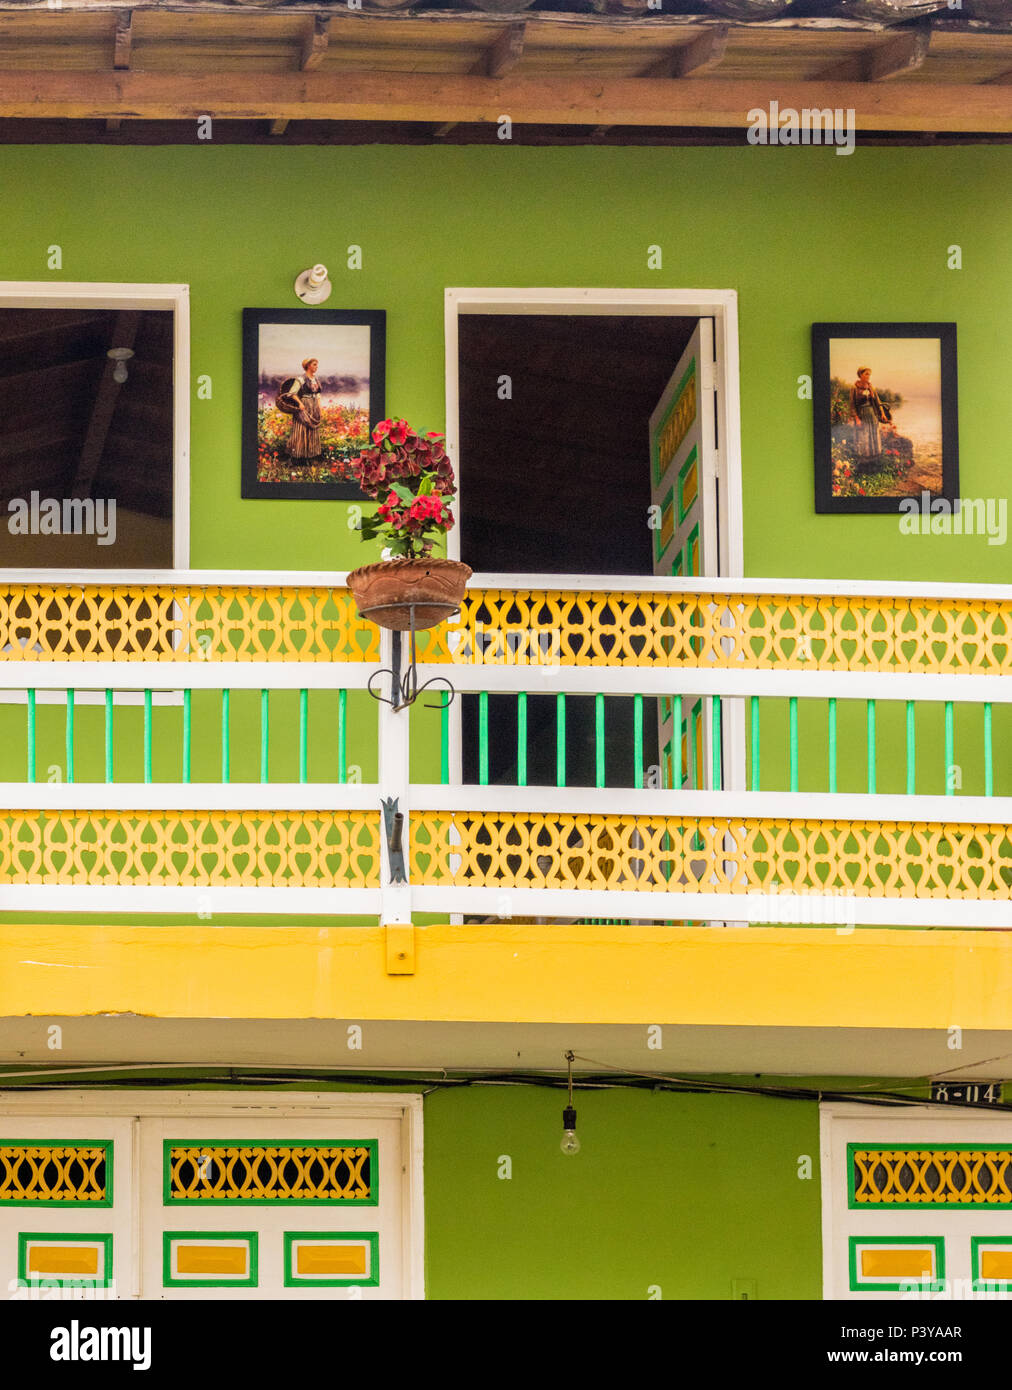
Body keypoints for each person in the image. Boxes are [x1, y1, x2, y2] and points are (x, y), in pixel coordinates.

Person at [849, 366, 890, 467]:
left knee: (874, 435)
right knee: (863, 436)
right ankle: (863, 462)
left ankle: (874, 461)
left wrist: (883, 414)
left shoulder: (871, 387)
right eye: (866, 374)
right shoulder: (854, 388)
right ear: (860, 375)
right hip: (862, 415)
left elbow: (877, 402)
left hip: (872, 414)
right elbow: (852, 405)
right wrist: (857, 418)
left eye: (869, 374)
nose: (868, 376)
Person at [284, 357, 323, 463]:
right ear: (308, 366)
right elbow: (291, 393)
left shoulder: (316, 379)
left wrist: (319, 408)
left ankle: (310, 456)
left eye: (316, 364)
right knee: (301, 429)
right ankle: (297, 457)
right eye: (314, 364)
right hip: (304, 406)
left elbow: (318, 394)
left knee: (312, 430)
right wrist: (300, 403)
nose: (316, 367)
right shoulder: (301, 379)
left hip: (314, 407)